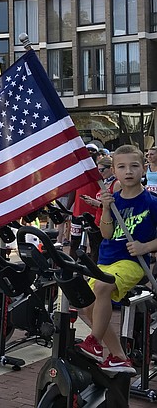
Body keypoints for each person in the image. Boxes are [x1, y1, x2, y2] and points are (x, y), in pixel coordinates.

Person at [75, 144, 157, 374]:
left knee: (102, 286)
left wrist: (146, 246)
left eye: (134, 166)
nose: (128, 171)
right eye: (122, 167)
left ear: (144, 169)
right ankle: (119, 356)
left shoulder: (151, 202)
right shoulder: (113, 199)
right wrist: (107, 209)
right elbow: (106, 234)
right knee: (89, 307)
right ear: (114, 170)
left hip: (132, 263)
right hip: (105, 260)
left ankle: (93, 343)